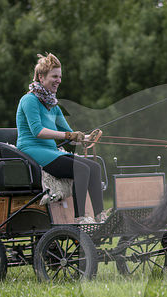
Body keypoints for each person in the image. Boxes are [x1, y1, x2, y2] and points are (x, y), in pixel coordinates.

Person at [16, 53, 106, 224]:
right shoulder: (29, 101)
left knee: (94, 167)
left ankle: (101, 217)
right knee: (81, 169)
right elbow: (38, 131)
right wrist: (69, 135)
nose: (58, 80)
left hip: (50, 152)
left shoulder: (52, 105)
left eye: (60, 77)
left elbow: (70, 135)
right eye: (54, 76)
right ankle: (81, 218)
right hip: (31, 151)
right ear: (41, 78)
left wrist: (85, 137)